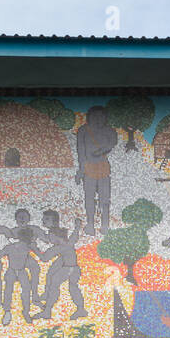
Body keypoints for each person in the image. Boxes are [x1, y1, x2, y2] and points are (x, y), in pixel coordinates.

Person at [75, 105, 118, 235]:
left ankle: (105, 225)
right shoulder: (83, 131)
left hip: (103, 167)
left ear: (105, 118)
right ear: (89, 118)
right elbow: (80, 151)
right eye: (95, 117)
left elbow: (113, 142)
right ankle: (90, 225)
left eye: (101, 117)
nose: (98, 120)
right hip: (88, 168)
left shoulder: (109, 130)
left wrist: (103, 150)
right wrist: (81, 170)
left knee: (104, 199)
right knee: (89, 198)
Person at [38, 210, 88, 320]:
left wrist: (34, 248)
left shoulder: (61, 246)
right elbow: (73, 238)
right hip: (73, 268)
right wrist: (77, 227)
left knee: (54, 285)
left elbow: (45, 258)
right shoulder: (66, 245)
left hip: (68, 269)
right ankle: (80, 309)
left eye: (46, 219)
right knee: (70, 286)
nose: (48, 239)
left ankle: (47, 310)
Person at [0, 228, 42, 326]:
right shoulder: (12, 247)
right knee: (9, 290)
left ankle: (25, 311)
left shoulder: (25, 247)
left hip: (21, 271)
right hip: (11, 271)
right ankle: (8, 312)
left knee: (25, 290)